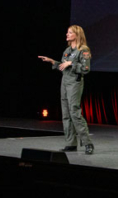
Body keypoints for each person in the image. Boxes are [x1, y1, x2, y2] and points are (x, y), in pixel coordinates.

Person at [38, 25, 94, 155]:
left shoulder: (83, 50)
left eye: (70, 33)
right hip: (65, 82)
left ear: (77, 35)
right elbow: (64, 66)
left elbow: (86, 69)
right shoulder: (67, 50)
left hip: (75, 83)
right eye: (67, 32)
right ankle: (71, 143)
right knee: (66, 114)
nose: (67, 34)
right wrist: (53, 62)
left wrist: (71, 63)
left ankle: (87, 143)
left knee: (74, 112)